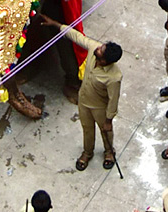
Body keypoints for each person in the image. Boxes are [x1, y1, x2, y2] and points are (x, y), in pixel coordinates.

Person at [38, 15, 122, 171]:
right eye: (100, 47)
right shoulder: (94, 48)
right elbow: (76, 36)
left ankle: (109, 152)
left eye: (100, 51)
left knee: (105, 130)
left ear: (105, 61)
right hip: (83, 100)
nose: (97, 48)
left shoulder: (114, 77)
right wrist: (56, 24)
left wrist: (109, 119)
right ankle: (87, 152)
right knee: (87, 128)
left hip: (100, 107)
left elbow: (113, 100)